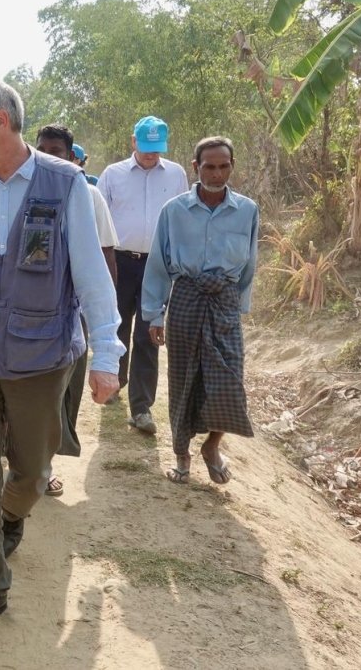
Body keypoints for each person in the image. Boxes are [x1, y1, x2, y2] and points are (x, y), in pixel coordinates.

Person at [0, 83, 123, 645]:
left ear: (1, 120)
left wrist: (107, 353)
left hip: (42, 355)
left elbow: (92, 275)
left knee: (30, 470)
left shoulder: (66, 184)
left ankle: (13, 513)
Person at [142, 136, 258, 485]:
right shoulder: (174, 211)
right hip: (186, 299)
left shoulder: (247, 210)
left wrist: (239, 307)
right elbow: (158, 265)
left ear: (232, 167)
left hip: (224, 302)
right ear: (196, 167)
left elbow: (250, 263)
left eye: (224, 166)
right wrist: (154, 313)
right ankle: (182, 455)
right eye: (209, 166)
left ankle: (212, 445)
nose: (217, 173)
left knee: (229, 380)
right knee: (183, 380)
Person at [35, 124, 118, 497]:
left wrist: (99, 316)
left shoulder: (89, 195)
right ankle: (23, 462)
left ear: (72, 157)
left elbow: (104, 258)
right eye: (43, 149)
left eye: (57, 150)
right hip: (28, 313)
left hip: (71, 315)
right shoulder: (26, 191)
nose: (50, 156)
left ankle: (44, 463)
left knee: (60, 394)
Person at [97, 116, 188, 434]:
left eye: (157, 149)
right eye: (146, 148)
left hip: (158, 265)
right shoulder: (113, 174)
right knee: (117, 325)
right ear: (133, 142)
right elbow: (101, 222)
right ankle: (114, 382)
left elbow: (181, 219)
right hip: (121, 262)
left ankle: (142, 407)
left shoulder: (176, 175)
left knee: (149, 333)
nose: (151, 155)